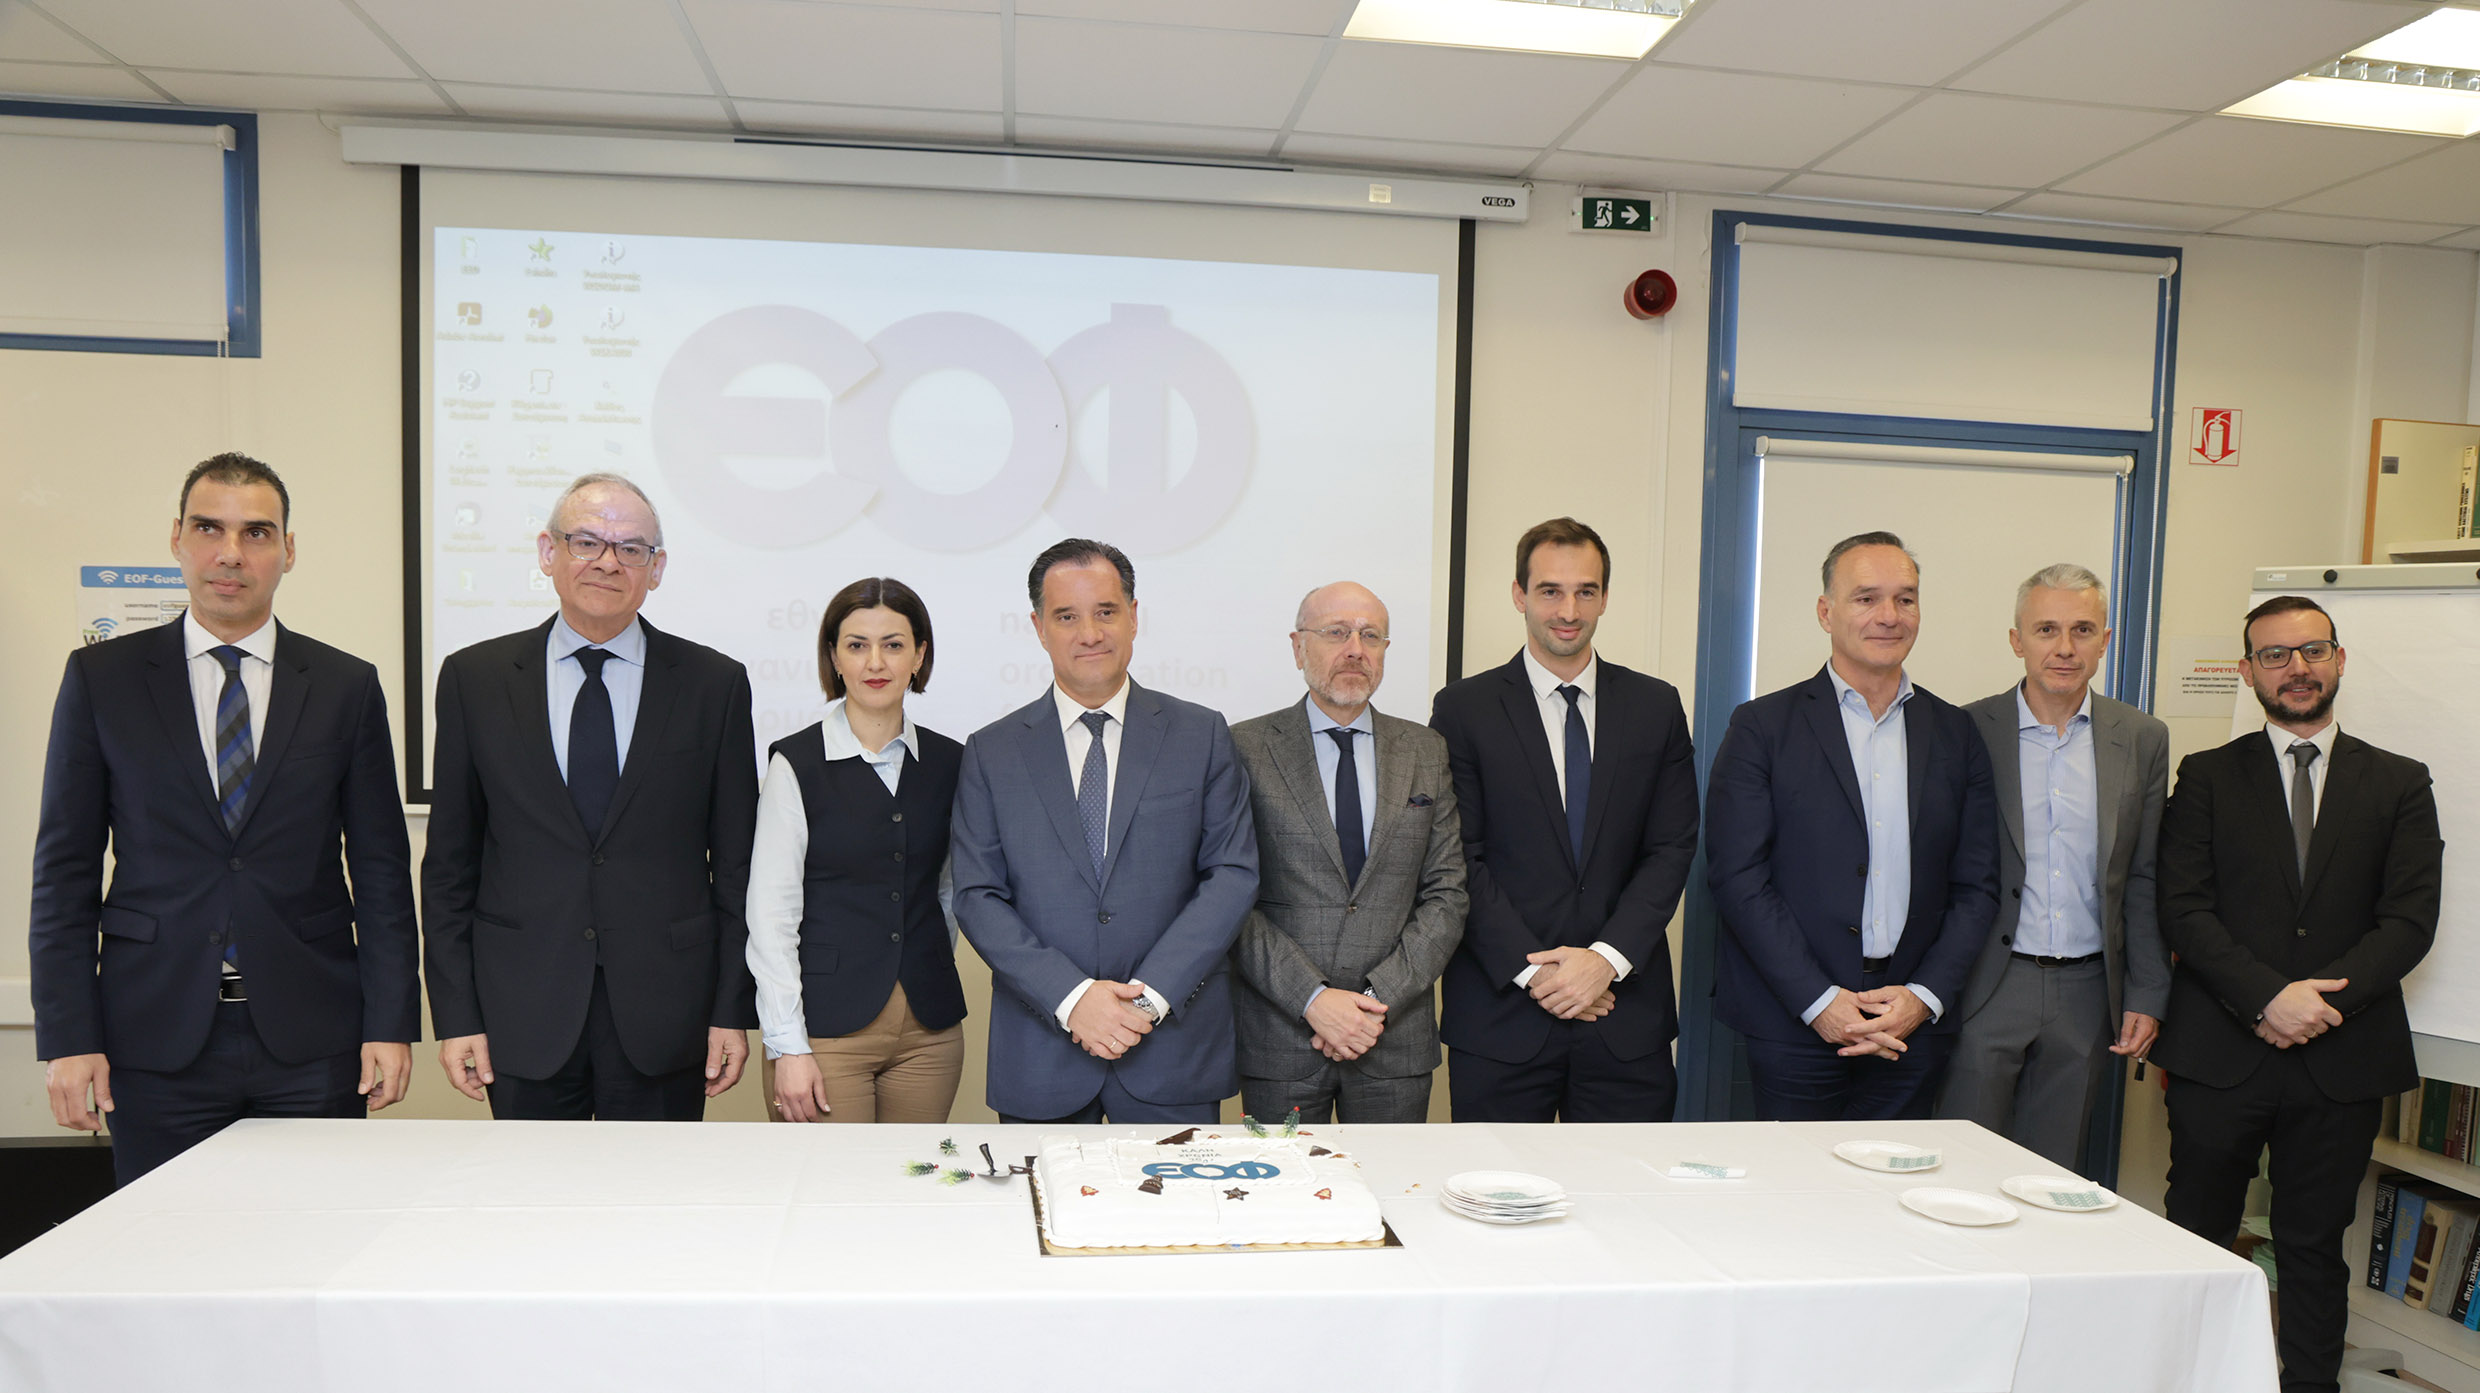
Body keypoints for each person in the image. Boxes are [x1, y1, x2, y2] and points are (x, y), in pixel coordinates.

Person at [30, 454, 419, 1185]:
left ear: (288, 550)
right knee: (166, 1244)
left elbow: (381, 875)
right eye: (209, 528)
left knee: (312, 1238)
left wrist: (390, 1024)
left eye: (256, 532)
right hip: (153, 1038)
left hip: (312, 1040)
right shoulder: (102, 680)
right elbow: (64, 873)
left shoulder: (346, 686)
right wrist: (68, 1036)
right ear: (177, 539)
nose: (231, 552)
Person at [2153, 595, 2439, 1393]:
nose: (2297, 668)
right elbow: (2184, 908)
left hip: (2342, 1058)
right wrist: (2268, 998)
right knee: (2198, 1238)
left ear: (2339, 660)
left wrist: (2319, 1005)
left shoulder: (2399, 781)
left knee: (2314, 1246)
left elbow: (2410, 919)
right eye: (2275, 654)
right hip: (2221, 1053)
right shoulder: (2207, 776)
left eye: (2312, 650)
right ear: (2248, 672)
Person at [422, 472, 759, 1121]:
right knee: (531, 1186)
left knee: (656, 1187)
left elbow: (737, 869)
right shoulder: (475, 679)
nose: (608, 561)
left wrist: (730, 1009)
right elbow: (449, 868)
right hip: (522, 1008)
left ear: (656, 568)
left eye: (631, 548)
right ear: (548, 552)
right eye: (587, 542)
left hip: (668, 1014)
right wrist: (457, 1014)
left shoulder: (713, 685)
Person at [951, 538, 1258, 1125]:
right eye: (1067, 616)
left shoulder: (1202, 735)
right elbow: (977, 895)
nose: (1089, 633)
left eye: (1106, 612)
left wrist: (1147, 1000)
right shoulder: (991, 751)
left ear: (1134, 617)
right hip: (1042, 1054)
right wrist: (1073, 1000)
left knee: (1178, 1192)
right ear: (1039, 628)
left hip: (1172, 1051)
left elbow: (1232, 876)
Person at [1706, 530, 1999, 1121]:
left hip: (1911, 1023)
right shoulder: (1762, 726)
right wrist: (1819, 1002)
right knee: (1796, 1179)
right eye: (1866, 598)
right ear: (1826, 612)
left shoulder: (1955, 732)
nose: (1889, 616)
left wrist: (1922, 997)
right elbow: (1738, 877)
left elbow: (1977, 886)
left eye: (1905, 599)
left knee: (1901, 1177)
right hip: (1793, 1019)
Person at [1428, 517, 1698, 1122]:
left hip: (1625, 1015)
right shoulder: (1464, 709)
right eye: (1550, 591)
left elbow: (1672, 848)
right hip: (1502, 1017)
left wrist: (1604, 960)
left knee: (1626, 1183)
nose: (1568, 610)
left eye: (1585, 591)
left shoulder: (1655, 706)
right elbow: (1459, 856)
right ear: (1519, 594)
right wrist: (1542, 976)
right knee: (1494, 1184)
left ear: (1605, 597)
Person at [1935, 564, 2172, 1171]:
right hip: (1988, 982)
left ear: (2105, 641)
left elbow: (2143, 874)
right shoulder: (1965, 728)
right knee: (1961, 1165)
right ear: (2017, 640)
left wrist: (2147, 992)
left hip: (2089, 992)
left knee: (2053, 1170)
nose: (2065, 647)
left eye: (2082, 630)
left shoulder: (2142, 737)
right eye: (2046, 629)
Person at [1228, 582, 1468, 1124]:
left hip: (1392, 1036)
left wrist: (1374, 1001)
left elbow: (1447, 893)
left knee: (1394, 1178)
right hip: (1281, 1037)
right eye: (1336, 633)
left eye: (1370, 636)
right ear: (1298, 647)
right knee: (1282, 1180)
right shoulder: (1244, 748)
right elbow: (1230, 896)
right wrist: (1313, 999)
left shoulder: (1425, 750)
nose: (1355, 650)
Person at [746, 578, 966, 1123]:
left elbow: (949, 892)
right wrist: (786, 1045)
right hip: (823, 1033)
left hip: (929, 1034)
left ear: (919, 656)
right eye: (857, 645)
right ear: (834, 657)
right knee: (828, 1178)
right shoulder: (794, 764)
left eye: (893, 644)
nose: (876, 662)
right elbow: (771, 914)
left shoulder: (951, 762)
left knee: (917, 1173)